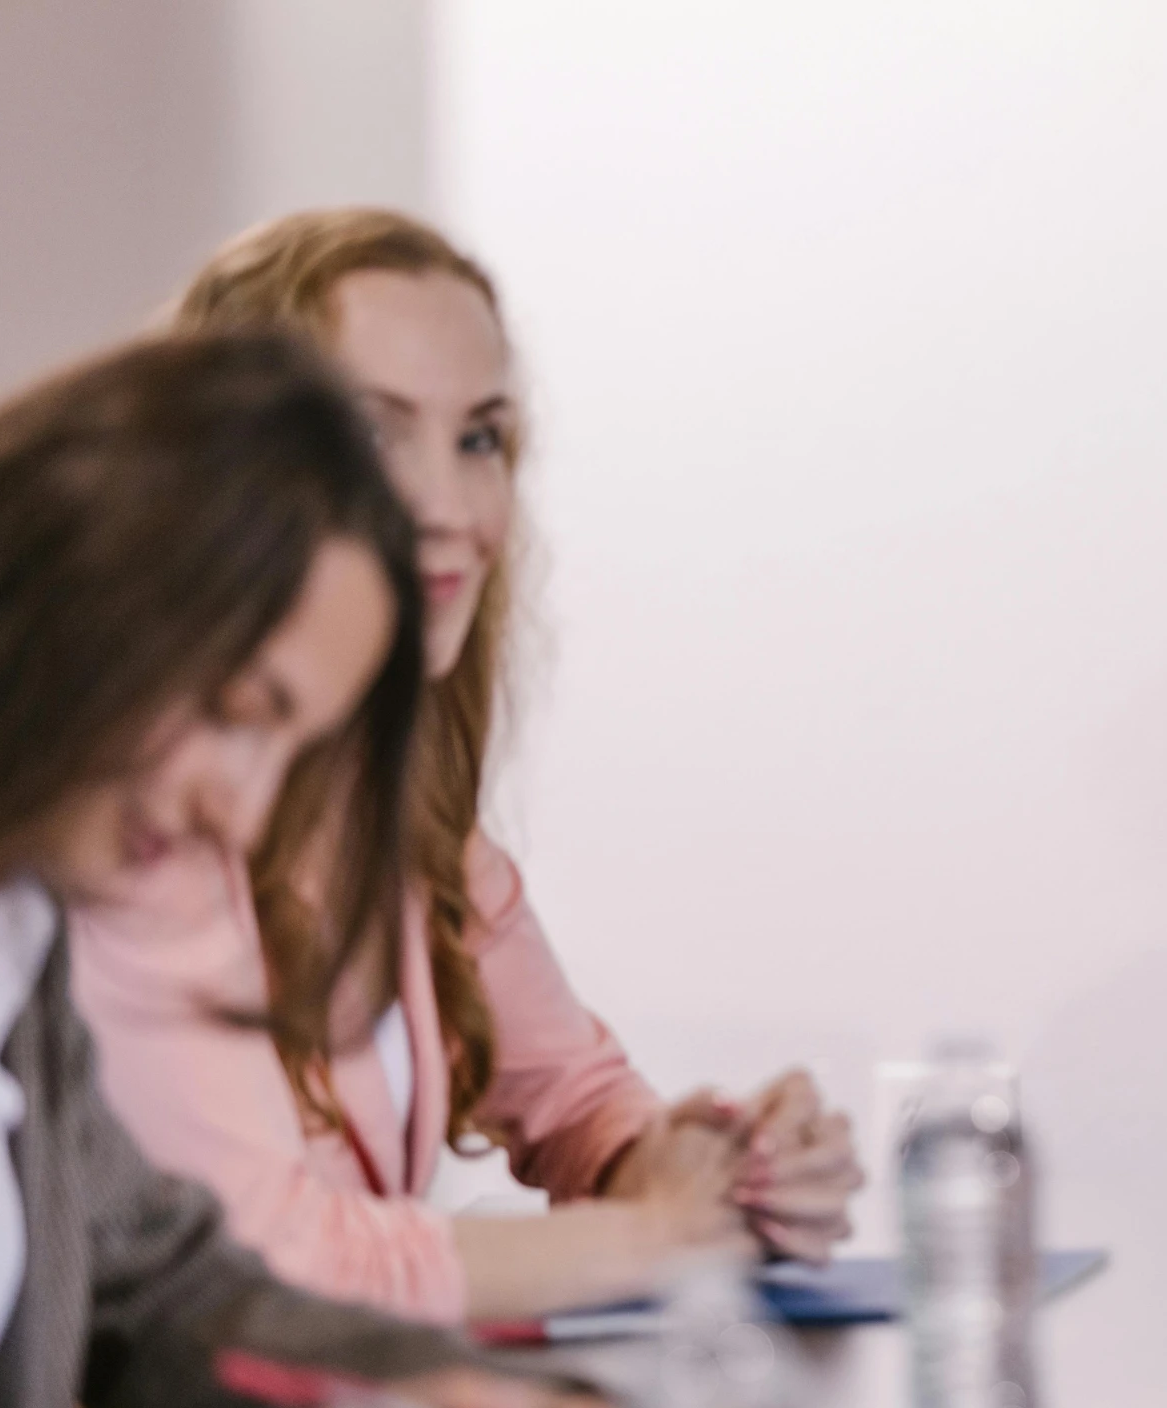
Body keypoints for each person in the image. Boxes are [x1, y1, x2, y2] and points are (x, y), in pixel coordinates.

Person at [70, 209, 863, 1326]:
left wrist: (726, 1166)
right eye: (373, 434)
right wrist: (649, 1235)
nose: (448, 508)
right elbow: (259, 1258)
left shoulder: (413, 827)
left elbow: (580, 1101)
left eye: (478, 438)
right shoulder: (140, 822)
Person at [0, 332, 605, 1408]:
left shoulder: (6, 939)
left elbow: (168, 1291)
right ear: (84, 598)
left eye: (285, 752)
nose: (239, 814)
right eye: (240, 716)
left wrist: (460, 1398)